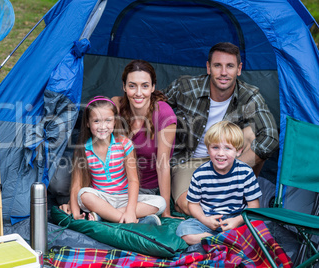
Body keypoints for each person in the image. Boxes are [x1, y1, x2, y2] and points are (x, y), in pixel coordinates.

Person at [162, 42, 278, 215]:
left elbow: (271, 137)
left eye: (230, 66)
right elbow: (154, 105)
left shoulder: (249, 95)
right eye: (218, 65)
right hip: (189, 160)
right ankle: (226, 217)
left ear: (239, 69)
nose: (224, 72)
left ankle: (240, 190)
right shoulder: (185, 87)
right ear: (208, 67)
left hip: (228, 158)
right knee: (185, 205)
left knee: (254, 133)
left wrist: (232, 169)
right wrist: (122, 103)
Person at [67, 95, 166, 224]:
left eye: (108, 120)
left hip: (125, 198)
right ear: (87, 123)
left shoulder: (125, 144)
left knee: (160, 202)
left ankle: (105, 216)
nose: (103, 126)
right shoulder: (83, 149)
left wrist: (130, 210)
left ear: (114, 121)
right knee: (84, 194)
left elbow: (133, 180)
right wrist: (75, 214)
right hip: (101, 198)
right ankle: (130, 221)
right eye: (96, 121)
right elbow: (76, 186)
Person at [176, 121, 262, 245]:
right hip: (209, 220)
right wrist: (205, 220)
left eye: (228, 148)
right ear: (207, 149)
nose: (221, 153)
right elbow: (193, 204)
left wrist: (237, 221)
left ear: (238, 151)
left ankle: (218, 240)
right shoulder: (200, 174)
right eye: (215, 147)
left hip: (237, 219)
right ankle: (217, 239)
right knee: (184, 231)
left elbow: (254, 206)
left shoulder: (246, 172)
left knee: (258, 228)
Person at [112, 60, 177, 218]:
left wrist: (166, 212)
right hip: (114, 184)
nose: (138, 93)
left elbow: (162, 165)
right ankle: (122, 214)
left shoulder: (164, 114)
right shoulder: (116, 106)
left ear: (153, 87)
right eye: (132, 85)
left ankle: (106, 214)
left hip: (145, 190)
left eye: (145, 86)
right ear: (124, 86)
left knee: (158, 205)